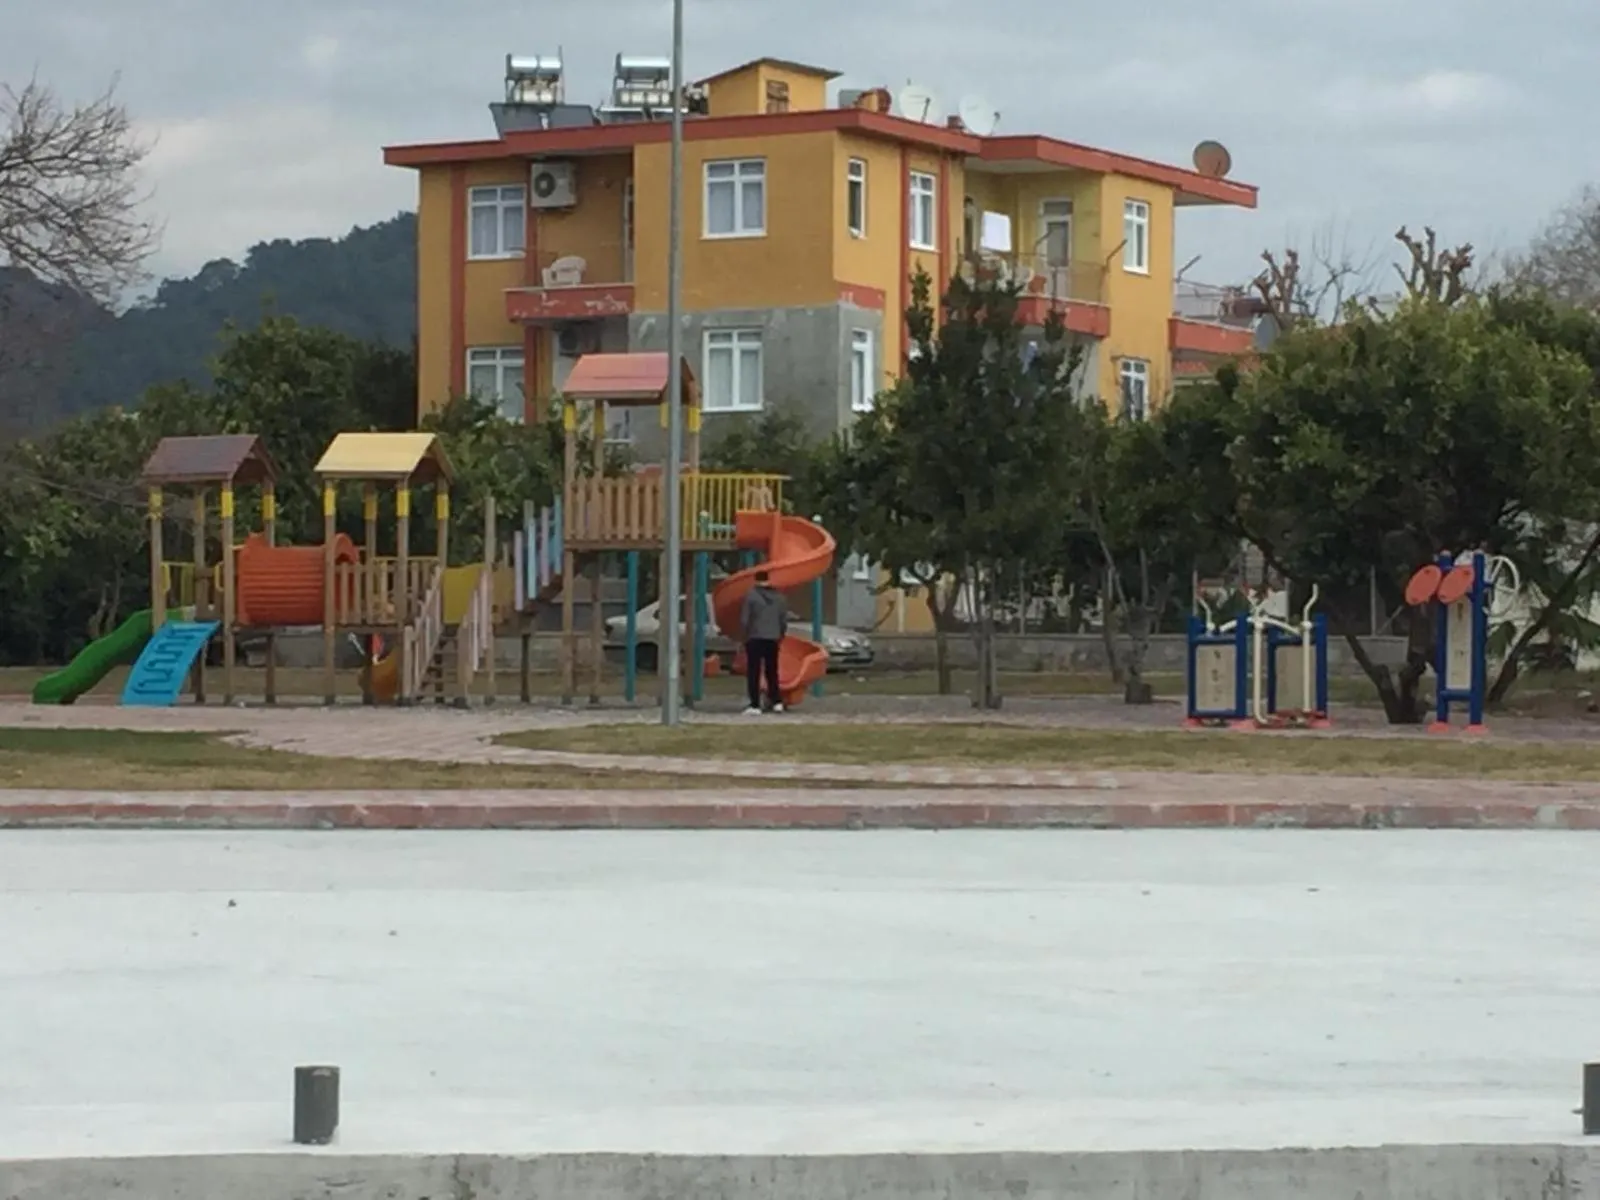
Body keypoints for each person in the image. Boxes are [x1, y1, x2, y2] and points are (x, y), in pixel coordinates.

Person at [740, 570, 786, 714]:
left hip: (755, 637)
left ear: (755, 580)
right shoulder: (779, 597)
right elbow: (783, 621)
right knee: (772, 671)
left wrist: (743, 636)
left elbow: (744, 620)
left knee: (754, 671)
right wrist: (780, 635)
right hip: (773, 638)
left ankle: (755, 704)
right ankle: (776, 701)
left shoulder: (751, 596)